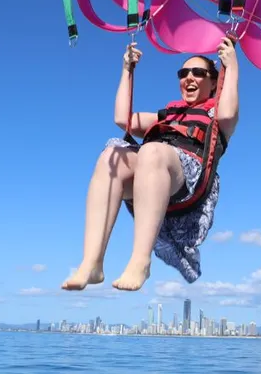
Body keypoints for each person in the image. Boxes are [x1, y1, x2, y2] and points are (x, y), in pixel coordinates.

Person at [61, 36, 239, 292]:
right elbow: (123, 119)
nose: (189, 78)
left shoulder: (217, 115)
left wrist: (231, 66)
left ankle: (140, 261)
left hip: (187, 178)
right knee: (111, 155)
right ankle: (92, 262)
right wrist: (127, 70)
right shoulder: (168, 114)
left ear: (213, 83)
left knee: (151, 151)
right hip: (151, 170)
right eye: (183, 73)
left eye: (198, 73)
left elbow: (229, 112)